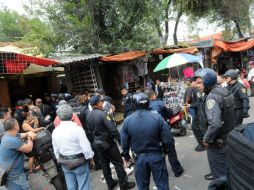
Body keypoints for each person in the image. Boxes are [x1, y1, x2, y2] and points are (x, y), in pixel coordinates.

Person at [121, 93, 172, 190]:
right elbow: (167, 138)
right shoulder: (157, 117)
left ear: (133, 105)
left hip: (139, 158)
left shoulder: (127, 121)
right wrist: (166, 151)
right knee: (162, 184)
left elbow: (124, 142)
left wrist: (126, 156)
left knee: (143, 186)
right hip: (156, 155)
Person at [86, 95, 135, 190]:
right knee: (118, 163)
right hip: (108, 144)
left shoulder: (89, 116)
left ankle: (110, 183)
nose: (102, 103)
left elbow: (90, 131)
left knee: (105, 165)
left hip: (97, 144)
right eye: (101, 102)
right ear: (97, 104)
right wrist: (120, 141)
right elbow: (113, 129)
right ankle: (123, 184)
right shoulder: (103, 114)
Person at [194, 68, 235, 180]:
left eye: (199, 83)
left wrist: (206, 139)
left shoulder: (212, 97)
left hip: (217, 142)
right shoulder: (223, 90)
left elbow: (215, 124)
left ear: (207, 81)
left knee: (219, 175)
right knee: (226, 166)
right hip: (227, 136)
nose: (197, 85)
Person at [52, 104, 94, 190]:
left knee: (71, 187)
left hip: (65, 163)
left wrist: (59, 159)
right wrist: (90, 158)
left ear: (59, 117)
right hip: (79, 162)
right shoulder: (77, 129)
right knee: (84, 186)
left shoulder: (55, 131)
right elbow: (86, 148)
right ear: (72, 116)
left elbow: (55, 150)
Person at [145, 90, 184, 177]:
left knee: (158, 153)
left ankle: (162, 173)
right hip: (163, 132)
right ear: (153, 95)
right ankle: (177, 170)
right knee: (171, 151)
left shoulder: (144, 107)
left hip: (151, 135)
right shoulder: (160, 103)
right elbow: (170, 114)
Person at [0, 118, 36, 190]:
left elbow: (22, 135)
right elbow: (29, 148)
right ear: (15, 126)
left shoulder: (7, 135)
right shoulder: (11, 140)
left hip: (9, 173)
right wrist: (30, 138)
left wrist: (28, 133)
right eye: (17, 124)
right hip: (16, 176)